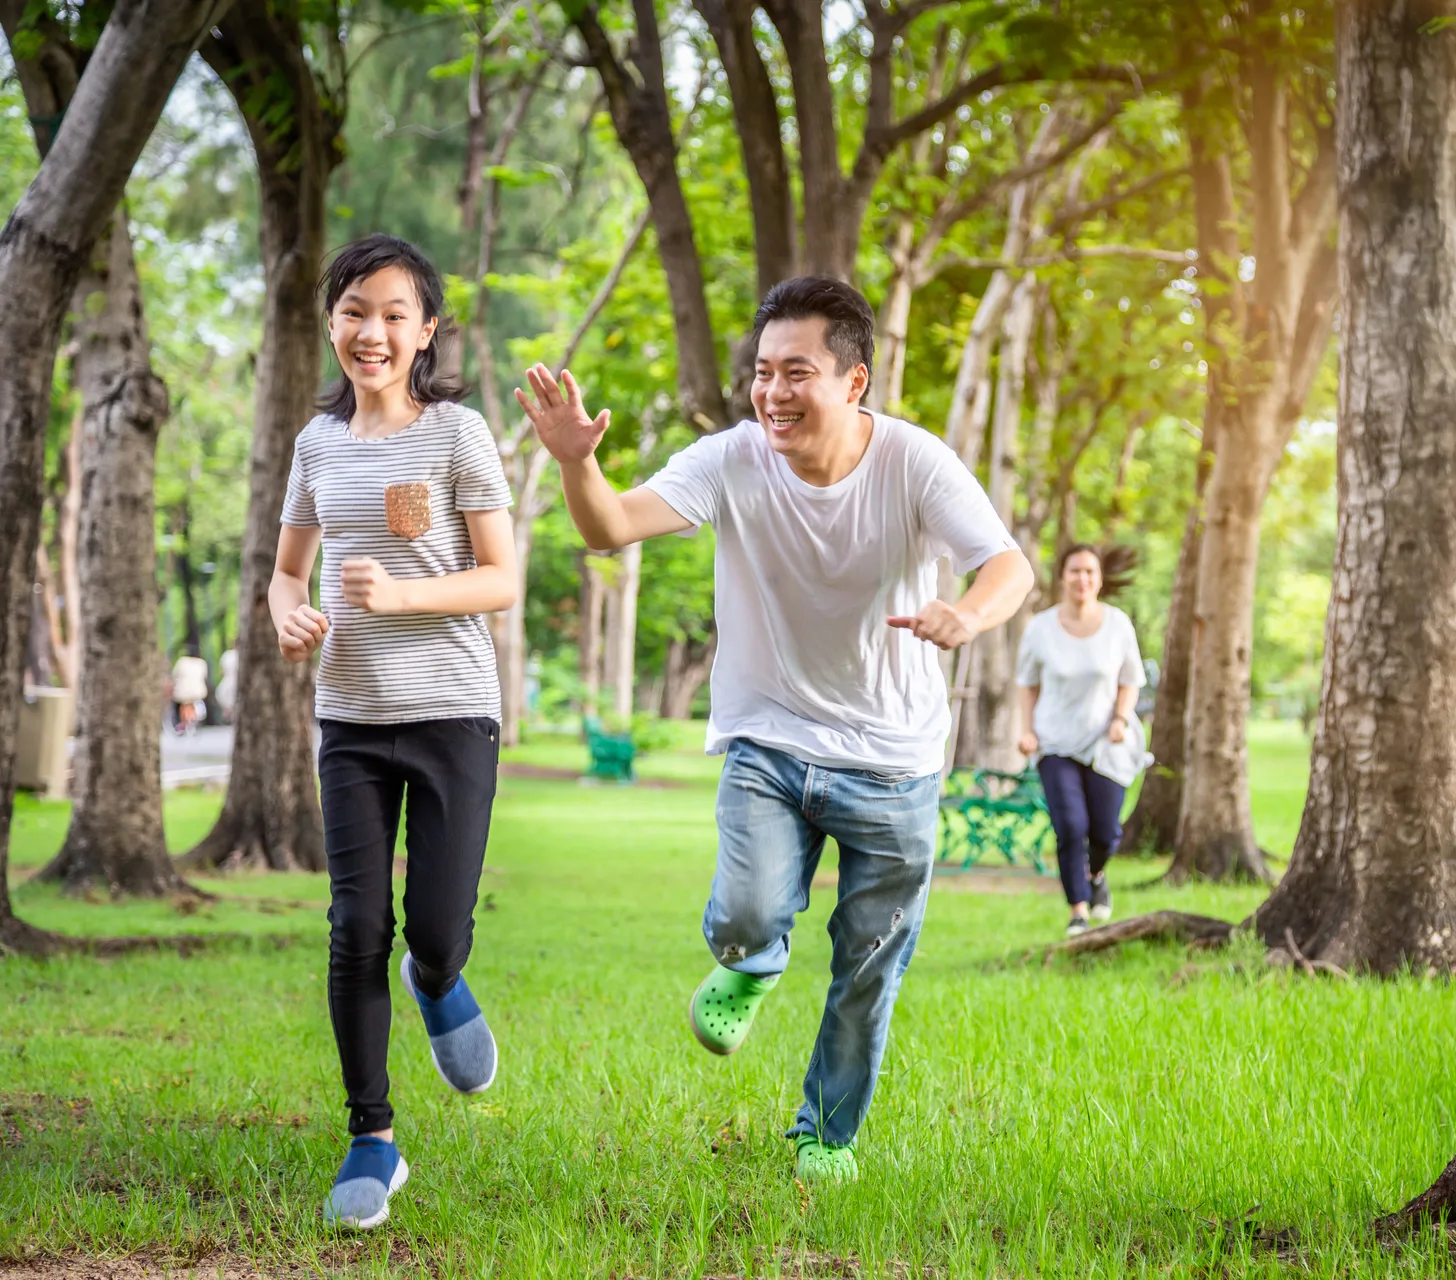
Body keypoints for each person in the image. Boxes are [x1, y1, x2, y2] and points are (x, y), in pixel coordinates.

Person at [518, 277, 1033, 1184]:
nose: (773, 393)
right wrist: (574, 463)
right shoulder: (732, 459)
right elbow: (610, 525)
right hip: (770, 741)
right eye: (762, 371)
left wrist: (970, 616)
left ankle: (824, 1136)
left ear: (854, 381)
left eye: (797, 372)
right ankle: (751, 963)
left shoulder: (915, 464)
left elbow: (1007, 565)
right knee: (748, 913)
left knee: (868, 970)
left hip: (894, 762)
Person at [272, 234, 518, 1230]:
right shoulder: (314, 446)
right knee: (353, 924)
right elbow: (290, 568)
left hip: (455, 712)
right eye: (352, 311)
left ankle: (440, 977)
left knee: (430, 928)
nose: (370, 331)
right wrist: (290, 609)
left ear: (424, 332)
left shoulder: (457, 433)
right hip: (352, 717)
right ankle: (371, 1133)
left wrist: (406, 593)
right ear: (331, 320)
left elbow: (501, 581)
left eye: (393, 314)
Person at [1015, 544, 1150, 937]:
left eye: (1090, 572)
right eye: (1075, 571)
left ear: (1100, 579)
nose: (1082, 579)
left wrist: (1121, 719)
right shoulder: (1040, 628)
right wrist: (1026, 730)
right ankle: (1078, 911)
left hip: (1106, 742)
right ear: (1062, 577)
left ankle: (1096, 873)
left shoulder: (1117, 624)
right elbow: (1026, 684)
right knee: (1071, 826)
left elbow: (1130, 679)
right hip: (1055, 742)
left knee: (1105, 831)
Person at [170, 649, 209, 735]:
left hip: (184, 689)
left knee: (184, 706)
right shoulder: (202, 663)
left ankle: (184, 723)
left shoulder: (182, 662)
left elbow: (174, 674)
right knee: (192, 706)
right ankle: (191, 721)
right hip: (198, 689)